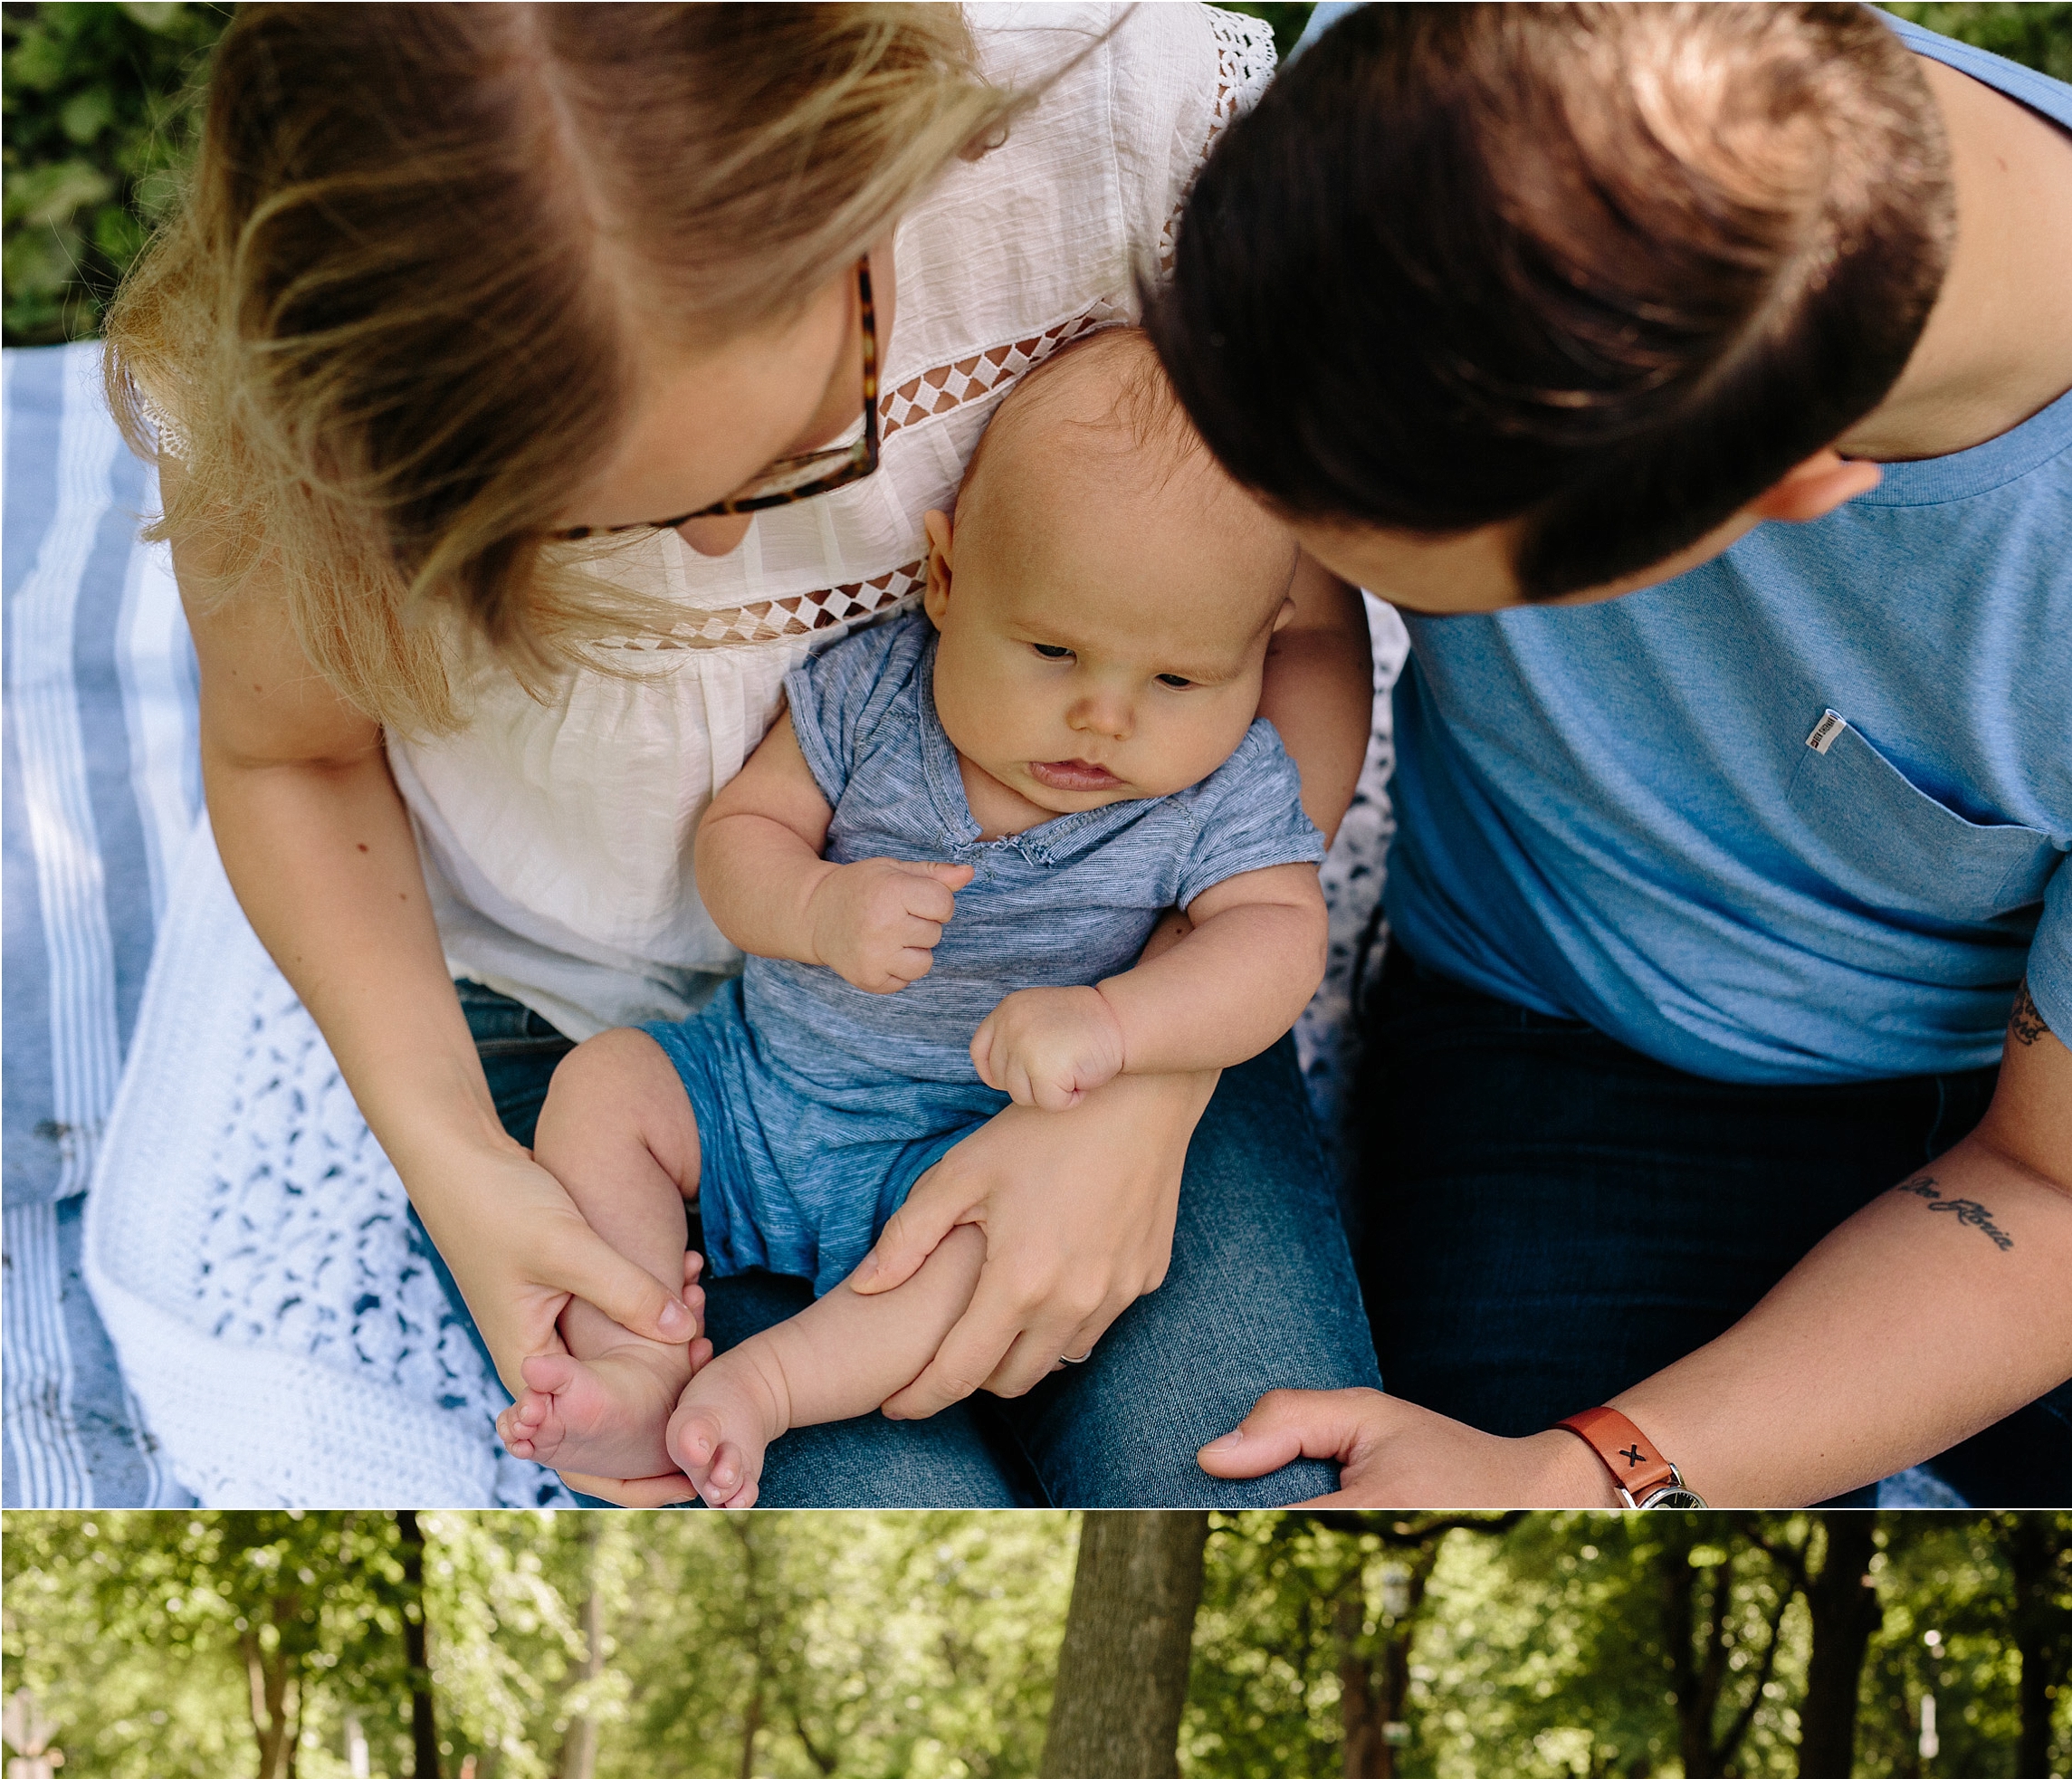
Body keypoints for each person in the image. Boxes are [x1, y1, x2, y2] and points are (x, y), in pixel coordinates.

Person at [106, 2, 1378, 1510]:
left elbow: (1286, 633)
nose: (723, 539)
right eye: (595, 520)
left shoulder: (1136, 149)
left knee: (1239, 1486)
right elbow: (293, 764)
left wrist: (1145, 1076)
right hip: (602, 1032)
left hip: (1092, 987)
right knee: (869, 1515)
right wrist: (462, 1168)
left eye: (809, 444)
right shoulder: (299, 385)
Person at [1145, 3, 2072, 1510]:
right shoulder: (1421, 80)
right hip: (1571, 1018)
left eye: (1418, 590)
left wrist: (1596, 1474)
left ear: (1788, 498)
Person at [499, 330, 1325, 1505]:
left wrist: (1119, 1023)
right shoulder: (875, 689)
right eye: (1052, 649)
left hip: (967, 1154)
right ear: (946, 577)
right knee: (605, 1086)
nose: (1103, 716)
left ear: (1263, 643)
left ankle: (768, 1386)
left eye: (1178, 680)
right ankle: (634, 1358)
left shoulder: (1223, 785)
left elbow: (1279, 939)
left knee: (979, 1267)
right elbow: (740, 840)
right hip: (750, 1087)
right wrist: (818, 904)